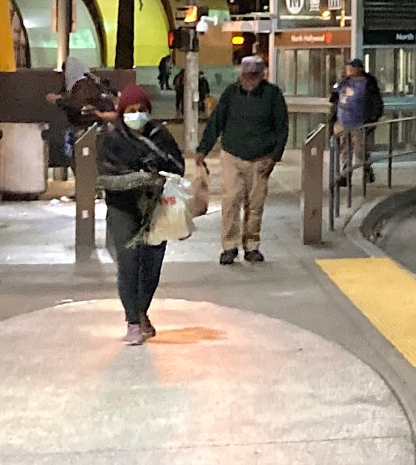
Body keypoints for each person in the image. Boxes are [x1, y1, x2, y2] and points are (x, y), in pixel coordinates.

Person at [97, 84, 183, 346]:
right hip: (123, 209)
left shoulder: (161, 135)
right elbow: (106, 179)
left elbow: (178, 167)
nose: (136, 115)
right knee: (129, 263)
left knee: (151, 267)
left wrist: (160, 177)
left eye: (141, 110)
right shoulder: (112, 139)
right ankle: (132, 321)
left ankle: (142, 309)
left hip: (157, 209)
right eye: (131, 111)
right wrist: (140, 179)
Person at [195, 57, 288, 265]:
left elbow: (282, 128)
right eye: (246, 76)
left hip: (261, 158)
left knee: (255, 204)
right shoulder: (230, 94)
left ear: (262, 75)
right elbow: (216, 122)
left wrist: (273, 158)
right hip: (232, 156)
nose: (250, 80)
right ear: (241, 75)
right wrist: (203, 149)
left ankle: (252, 245)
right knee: (231, 201)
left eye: (254, 76)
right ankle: (229, 246)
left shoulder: (273, 95)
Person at [328, 58, 384, 187]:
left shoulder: (368, 84)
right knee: (345, 150)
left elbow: (376, 103)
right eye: (348, 67)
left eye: (352, 67)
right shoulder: (344, 81)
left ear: (359, 69)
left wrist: (372, 120)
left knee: (360, 150)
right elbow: (335, 96)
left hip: (359, 123)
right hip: (342, 122)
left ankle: (366, 169)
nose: (349, 69)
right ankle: (346, 175)